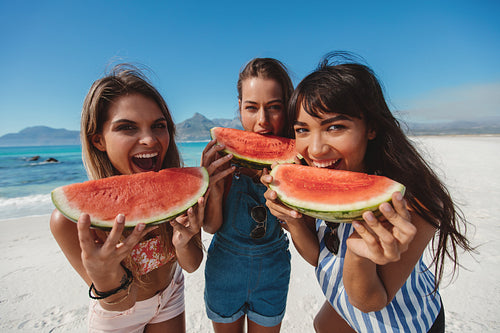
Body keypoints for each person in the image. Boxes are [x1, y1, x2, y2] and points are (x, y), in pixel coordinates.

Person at [261, 52, 474, 333]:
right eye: (302, 130)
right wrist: (294, 220)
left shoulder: (413, 203)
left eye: (334, 127)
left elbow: (371, 300)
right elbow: (319, 257)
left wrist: (360, 255)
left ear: (371, 127)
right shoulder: (331, 176)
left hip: (401, 324)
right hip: (345, 308)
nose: (315, 149)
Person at [50, 64, 230, 332]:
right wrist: (104, 277)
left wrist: (182, 243)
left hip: (171, 295)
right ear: (98, 140)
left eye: (159, 126)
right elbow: (121, 304)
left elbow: (191, 265)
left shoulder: (179, 192)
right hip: (117, 315)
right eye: (127, 127)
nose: (149, 139)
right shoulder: (71, 223)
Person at [201, 58, 294, 333]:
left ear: (286, 108)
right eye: (251, 108)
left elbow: (300, 228)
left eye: (274, 107)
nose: (262, 121)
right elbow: (211, 226)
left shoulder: (295, 160)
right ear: (240, 107)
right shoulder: (221, 157)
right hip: (224, 269)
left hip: (273, 270)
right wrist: (214, 186)